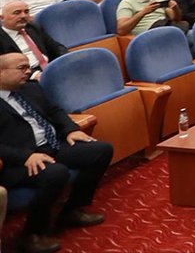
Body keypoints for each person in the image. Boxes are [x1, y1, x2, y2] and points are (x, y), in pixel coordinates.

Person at [0, 52, 112, 253]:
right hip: (18, 160)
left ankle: (72, 210)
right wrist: (25, 157)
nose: (28, 72)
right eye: (21, 69)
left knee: (100, 150)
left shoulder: (31, 88)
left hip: (50, 145)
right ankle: (32, 234)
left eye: (28, 67)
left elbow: (55, 111)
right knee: (56, 173)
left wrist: (71, 130)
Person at [0, 1, 68, 78]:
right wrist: (34, 75)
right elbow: (5, 69)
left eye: (26, 12)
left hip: (50, 68)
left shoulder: (33, 28)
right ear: (2, 18)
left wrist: (65, 59)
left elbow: (56, 47)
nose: (23, 16)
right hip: (24, 78)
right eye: (17, 12)